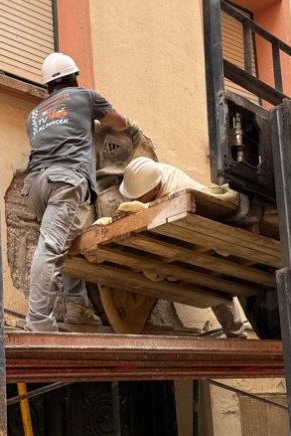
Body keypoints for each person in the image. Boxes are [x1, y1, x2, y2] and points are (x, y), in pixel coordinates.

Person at [23, 52, 138, 332]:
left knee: (68, 241)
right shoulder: (85, 97)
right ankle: (38, 323)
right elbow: (119, 122)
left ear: (48, 86)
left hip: (36, 186)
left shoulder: (34, 115)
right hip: (66, 181)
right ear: (74, 77)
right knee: (51, 246)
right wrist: (117, 128)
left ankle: (77, 304)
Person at [118, 157, 248, 339]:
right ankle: (236, 334)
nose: (134, 199)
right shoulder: (147, 176)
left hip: (208, 230)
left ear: (155, 188)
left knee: (218, 282)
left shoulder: (175, 191)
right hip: (186, 230)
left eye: (138, 197)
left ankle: (237, 336)